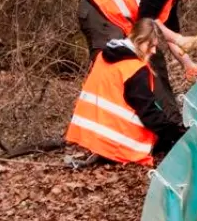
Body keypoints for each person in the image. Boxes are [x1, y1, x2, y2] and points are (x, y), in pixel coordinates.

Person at [78, 0, 197, 113]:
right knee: (112, 66)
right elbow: (147, 21)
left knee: (155, 59)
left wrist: (188, 64)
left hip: (117, 19)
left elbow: (171, 35)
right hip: (100, 10)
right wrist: (178, 39)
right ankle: (96, 115)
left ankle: (170, 119)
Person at [65, 18, 188, 167]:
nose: (154, 51)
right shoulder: (134, 68)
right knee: (163, 137)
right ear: (139, 40)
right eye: (151, 45)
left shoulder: (103, 56)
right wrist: (175, 133)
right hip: (118, 142)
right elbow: (148, 112)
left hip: (90, 137)